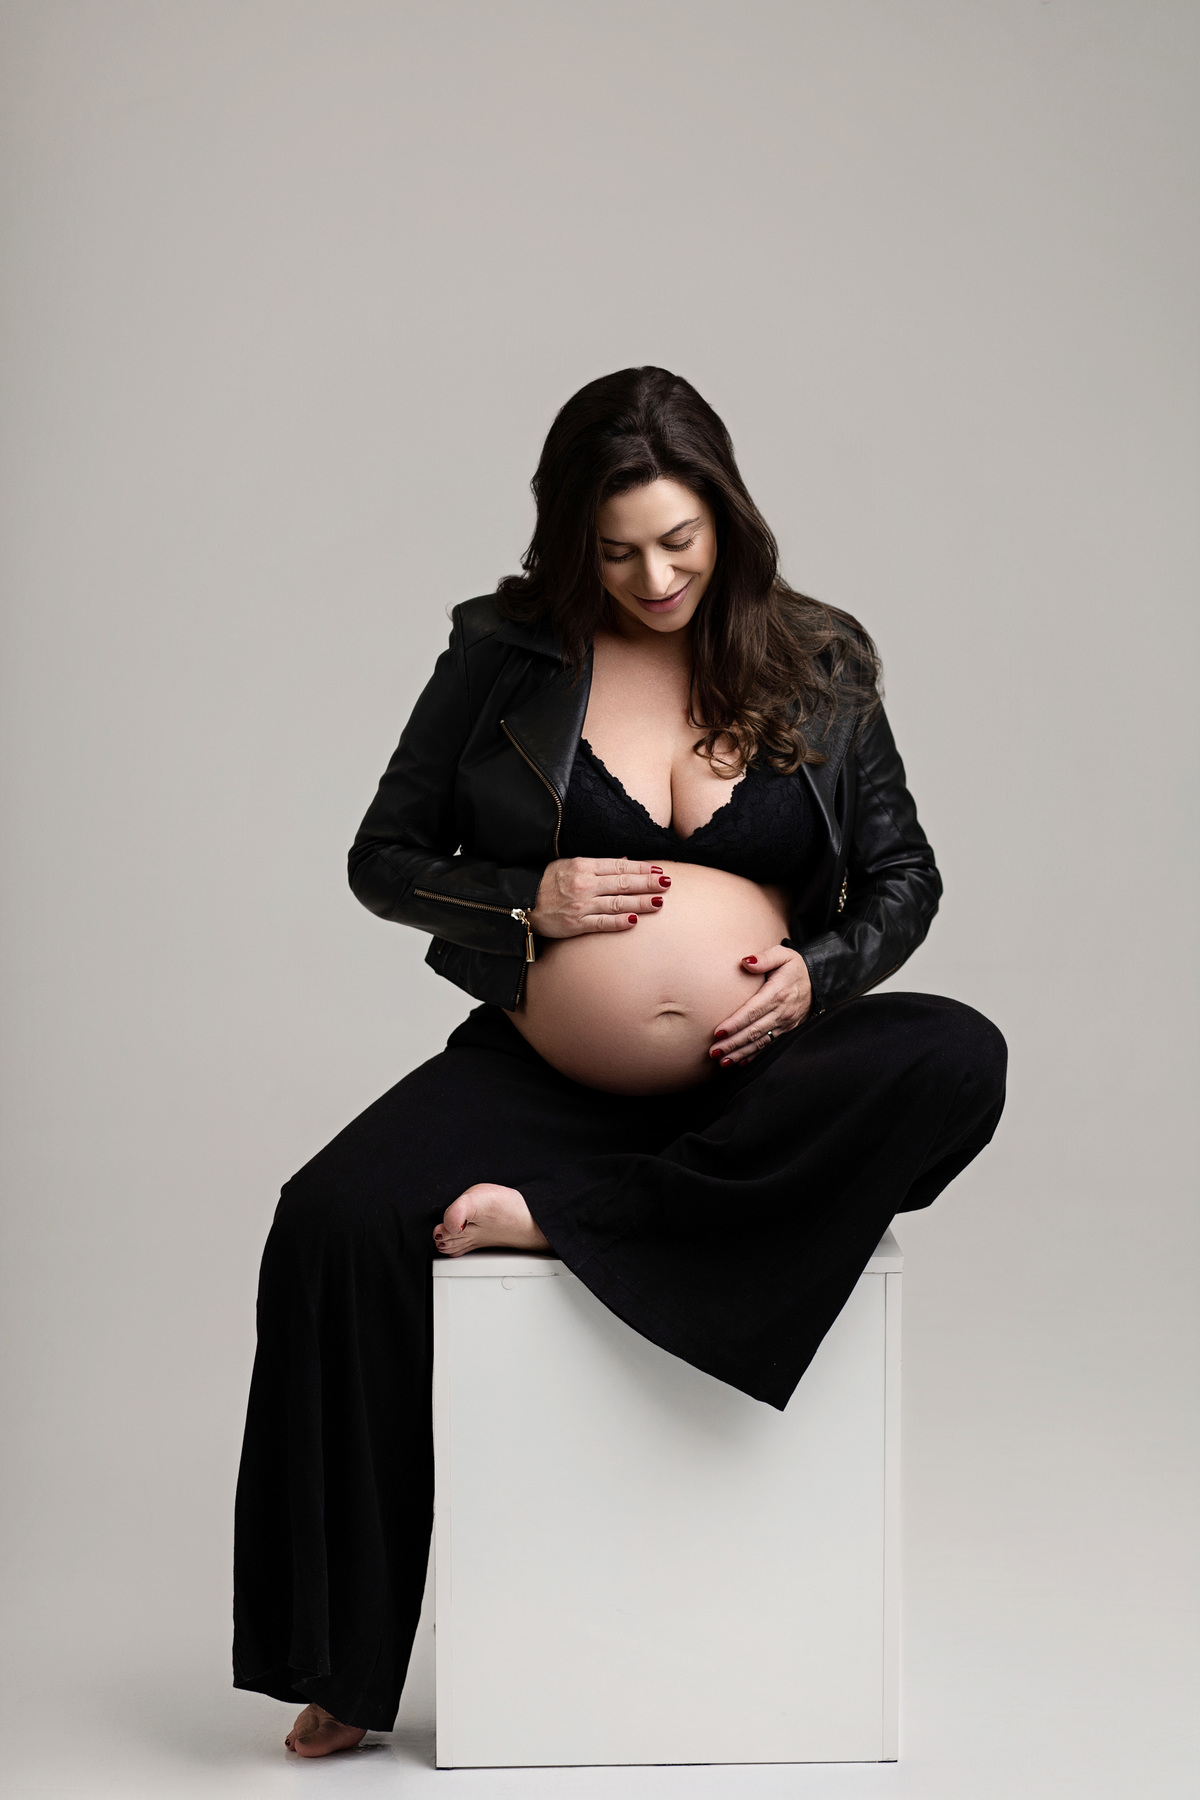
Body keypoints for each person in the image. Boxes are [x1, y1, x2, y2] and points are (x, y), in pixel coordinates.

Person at [232, 366, 1007, 1757]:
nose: (654, 578)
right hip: (546, 1078)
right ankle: (344, 1663)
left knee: (958, 1055)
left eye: (679, 540)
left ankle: (573, 1222)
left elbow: (905, 877)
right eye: (616, 550)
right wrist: (522, 899)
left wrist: (817, 974)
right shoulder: (505, 653)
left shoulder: (821, 660)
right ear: (569, 540)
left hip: (757, 1080)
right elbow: (383, 857)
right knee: (328, 1216)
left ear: (726, 515)